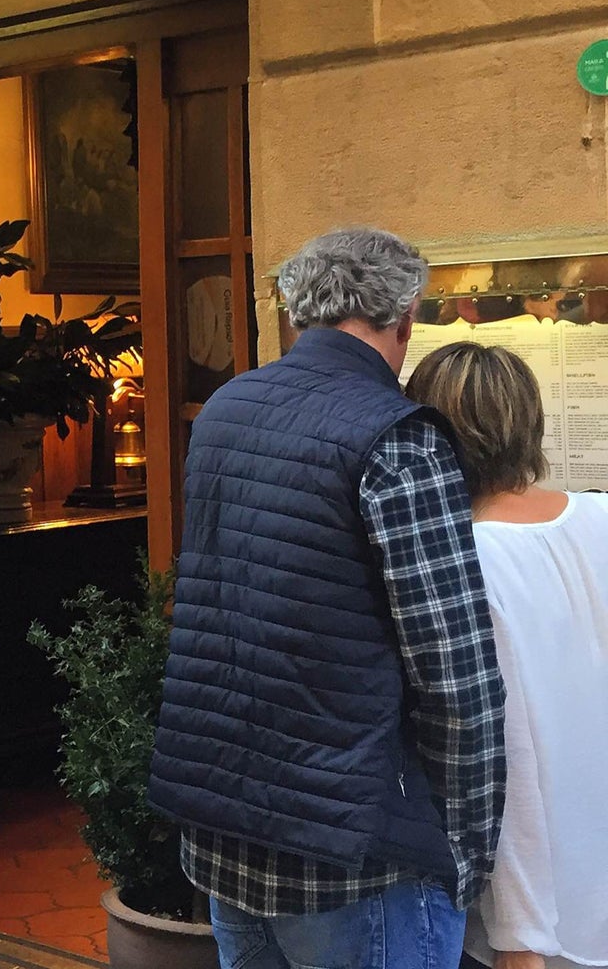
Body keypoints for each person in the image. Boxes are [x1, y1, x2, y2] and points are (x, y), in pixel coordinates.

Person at [150, 226, 507, 969]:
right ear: (406, 317)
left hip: (226, 831)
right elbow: (456, 675)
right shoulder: (399, 437)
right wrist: (469, 848)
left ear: (295, 314)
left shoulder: (225, 410)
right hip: (357, 858)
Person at [405, 341, 608, 969]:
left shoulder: (466, 563)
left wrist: (521, 941)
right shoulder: (601, 516)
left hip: (548, 916)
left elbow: (500, 751)